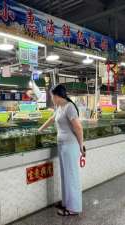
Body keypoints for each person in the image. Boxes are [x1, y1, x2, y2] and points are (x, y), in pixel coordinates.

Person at [38, 84, 85, 216]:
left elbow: (78, 128)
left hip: (70, 145)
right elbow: (51, 119)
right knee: (65, 175)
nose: (51, 98)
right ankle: (66, 203)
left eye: (52, 96)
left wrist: (81, 146)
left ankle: (74, 208)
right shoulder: (59, 107)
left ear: (57, 96)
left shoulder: (69, 107)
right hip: (62, 145)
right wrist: (39, 130)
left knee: (71, 176)